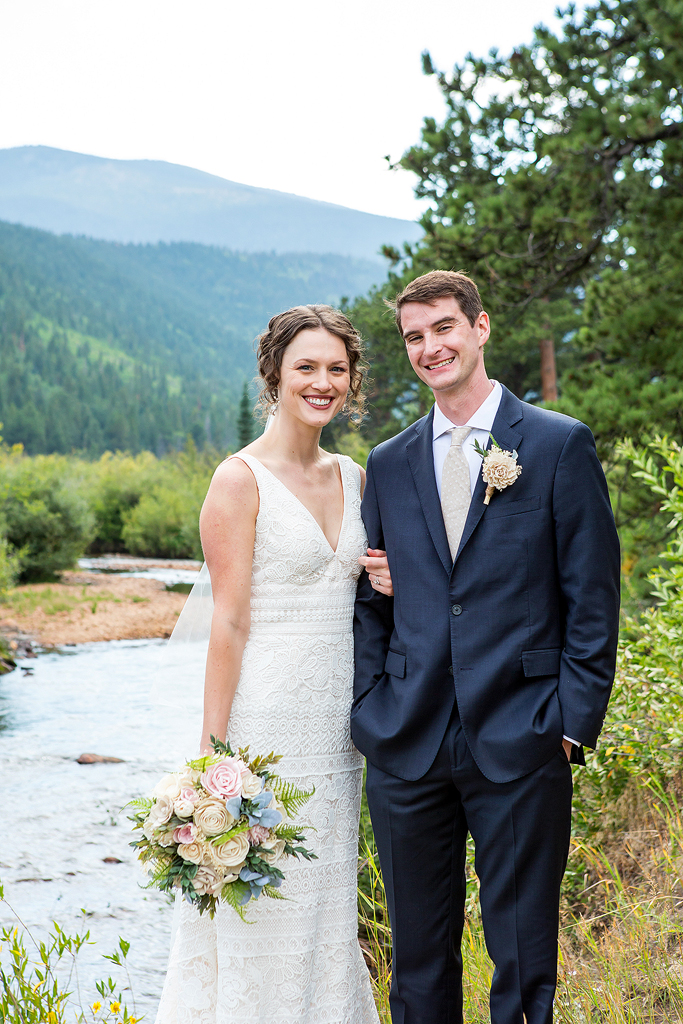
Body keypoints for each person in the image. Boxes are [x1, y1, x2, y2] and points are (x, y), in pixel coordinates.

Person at [351, 270, 621, 1024]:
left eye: (442, 327)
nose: (429, 347)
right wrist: (371, 707)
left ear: (479, 328)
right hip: (406, 741)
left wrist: (570, 726)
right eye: (413, 336)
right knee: (416, 963)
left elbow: (592, 599)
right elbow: (371, 600)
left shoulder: (557, 445)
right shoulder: (387, 462)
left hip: (523, 734)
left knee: (523, 956)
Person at [154, 305, 391, 1024]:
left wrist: (387, 577)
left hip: (335, 730)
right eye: (306, 368)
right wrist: (212, 753)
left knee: (321, 905)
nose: (323, 383)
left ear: (351, 382)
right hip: (263, 721)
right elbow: (227, 618)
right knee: (258, 907)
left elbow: (361, 586)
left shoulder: (356, 475)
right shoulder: (238, 479)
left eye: (336, 370)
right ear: (274, 375)